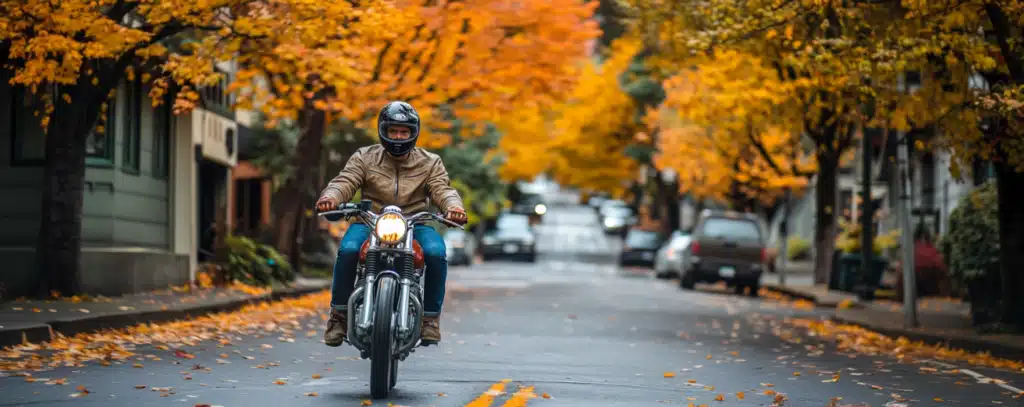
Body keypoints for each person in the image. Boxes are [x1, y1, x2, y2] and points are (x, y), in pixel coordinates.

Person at [314, 101, 468, 347]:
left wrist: (453, 208)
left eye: (404, 131)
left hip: (414, 222)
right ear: (383, 130)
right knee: (348, 250)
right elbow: (345, 181)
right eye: (393, 130)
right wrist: (330, 198)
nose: (398, 136)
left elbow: (442, 189)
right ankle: (339, 316)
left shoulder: (430, 162)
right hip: (370, 219)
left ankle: (430, 319)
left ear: (413, 133)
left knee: (437, 252)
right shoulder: (365, 157)